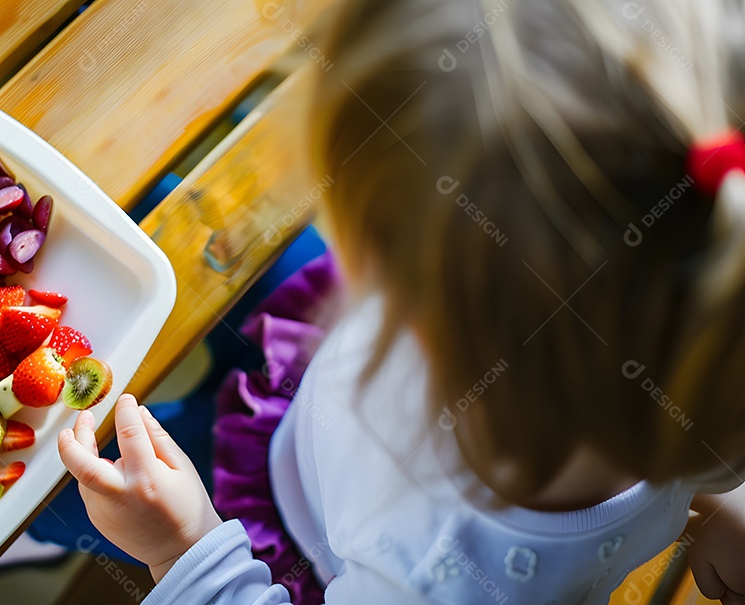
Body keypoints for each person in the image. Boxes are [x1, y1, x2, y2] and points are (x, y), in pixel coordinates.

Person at [57, 0, 745, 602]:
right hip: (316, 405)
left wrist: (182, 548)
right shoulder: (708, 336)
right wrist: (728, 497)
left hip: (287, 530)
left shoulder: (437, 578)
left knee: (62, 489)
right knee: (154, 215)